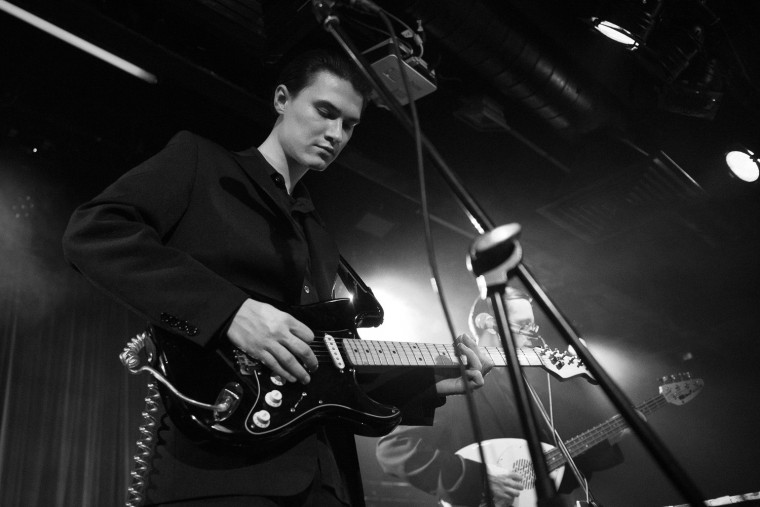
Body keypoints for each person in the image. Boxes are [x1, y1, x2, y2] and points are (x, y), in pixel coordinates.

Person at [62, 49, 491, 507]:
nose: (336, 134)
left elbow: (328, 363)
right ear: (282, 99)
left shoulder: (318, 231)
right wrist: (231, 312)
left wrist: (430, 380)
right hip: (220, 469)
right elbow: (96, 231)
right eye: (325, 112)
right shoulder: (201, 162)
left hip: (327, 478)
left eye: (349, 125)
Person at [375, 288, 624, 507]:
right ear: (489, 323)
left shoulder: (526, 387)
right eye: (524, 324)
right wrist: (478, 480)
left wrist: (615, 433)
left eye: (533, 326)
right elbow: (395, 448)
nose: (533, 334)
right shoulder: (455, 375)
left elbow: (545, 467)